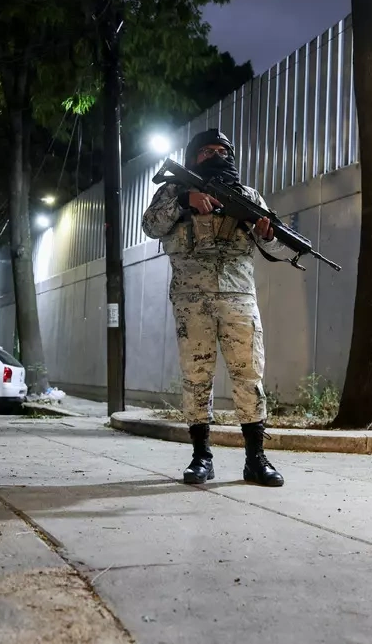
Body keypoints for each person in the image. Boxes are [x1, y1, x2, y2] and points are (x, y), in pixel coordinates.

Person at [141, 128, 289, 487]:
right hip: (191, 299)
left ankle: (256, 459)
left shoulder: (248, 196)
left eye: (222, 151)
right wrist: (184, 201)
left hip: (239, 298)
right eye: (206, 151)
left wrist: (268, 233)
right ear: (192, 158)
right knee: (196, 377)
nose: (216, 156)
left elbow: (278, 247)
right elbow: (150, 226)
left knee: (249, 376)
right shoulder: (174, 190)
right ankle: (201, 457)